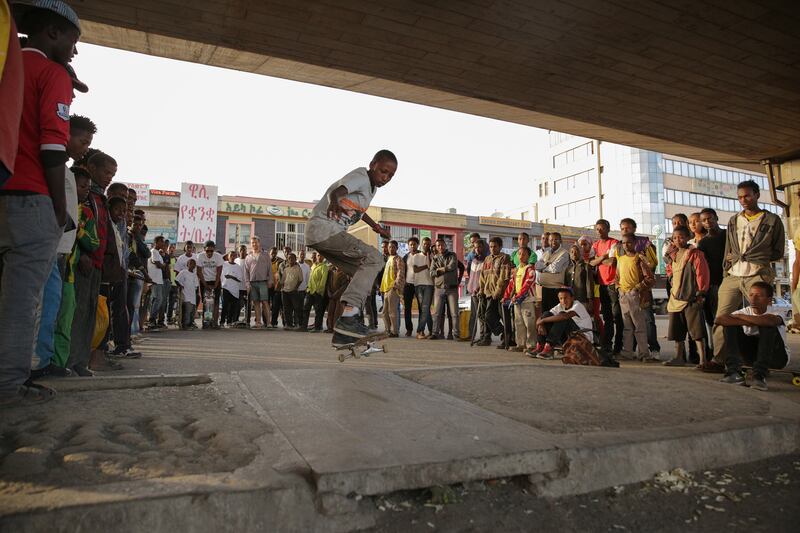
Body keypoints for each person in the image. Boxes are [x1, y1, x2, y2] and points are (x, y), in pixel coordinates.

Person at [0, 0, 81, 402]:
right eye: (73, 41)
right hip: (33, 195)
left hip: (4, 186)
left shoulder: (8, 64)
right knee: (22, 299)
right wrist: (59, 207)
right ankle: (10, 384)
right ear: (52, 32)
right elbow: (53, 146)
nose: (75, 52)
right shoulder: (52, 73)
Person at [304, 149, 396, 343]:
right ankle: (348, 319)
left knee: (365, 274)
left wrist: (376, 227)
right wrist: (333, 202)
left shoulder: (371, 189)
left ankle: (345, 330)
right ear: (373, 165)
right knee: (375, 258)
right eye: (383, 171)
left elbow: (359, 212)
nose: (386, 178)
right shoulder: (361, 176)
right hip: (326, 229)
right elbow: (336, 192)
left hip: (321, 235)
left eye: (390, 175)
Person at [32, 114, 96, 377]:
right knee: (43, 308)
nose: (85, 147)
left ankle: (44, 358)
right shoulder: (53, 166)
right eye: (83, 141)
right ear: (66, 135)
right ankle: (35, 362)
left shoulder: (67, 172)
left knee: (53, 308)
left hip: (61, 253)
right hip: (50, 248)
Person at [710, 180, 785, 373]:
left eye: (747, 196)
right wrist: (728, 267)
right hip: (733, 274)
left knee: (762, 319)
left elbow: (777, 250)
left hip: (757, 274)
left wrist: (757, 258)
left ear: (757, 195)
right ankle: (719, 360)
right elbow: (729, 247)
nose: (743, 200)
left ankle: (762, 362)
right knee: (721, 317)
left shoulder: (772, 220)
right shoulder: (734, 219)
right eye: (740, 197)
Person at [67, 151, 117, 377]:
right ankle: (69, 360)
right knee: (76, 313)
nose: (109, 177)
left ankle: (81, 360)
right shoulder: (85, 196)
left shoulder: (101, 199)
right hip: (82, 261)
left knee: (89, 314)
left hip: (97, 264)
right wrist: (84, 254)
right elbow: (78, 226)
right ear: (92, 168)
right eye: (106, 172)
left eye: (113, 174)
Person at [51, 168, 97, 373]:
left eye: (88, 186)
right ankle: (46, 361)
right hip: (52, 266)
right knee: (48, 316)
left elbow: (94, 243)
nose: (86, 190)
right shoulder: (56, 203)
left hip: (69, 274)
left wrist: (78, 230)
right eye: (81, 186)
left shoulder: (86, 213)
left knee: (65, 320)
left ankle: (60, 363)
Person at [716, 282, 789, 391]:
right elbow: (719, 320)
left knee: (767, 326)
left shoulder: (776, 311)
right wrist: (753, 321)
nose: (753, 299)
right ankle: (733, 373)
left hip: (776, 357)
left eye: (759, 296)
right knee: (729, 326)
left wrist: (741, 318)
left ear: (769, 299)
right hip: (751, 357)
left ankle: (759, 377)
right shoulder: (746, 311)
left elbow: (769, 321)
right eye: (751, 295)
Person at [663, 226, 710, 367]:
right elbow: (670, 271)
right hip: (675, 297)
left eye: (681, 237)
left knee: (697, 331)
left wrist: (701, 292)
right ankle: (678, 357)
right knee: (677, 331)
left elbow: (702, 273)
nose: (678, 240)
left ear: (688, 237)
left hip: (691, 297)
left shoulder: (695, 254)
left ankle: (703, 360)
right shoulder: (673, 255)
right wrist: (671, 280)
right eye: (675, 237)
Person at [615, 234, 655, 361]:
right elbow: (617, 277)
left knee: (639, 326)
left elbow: (649, 278)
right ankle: (627, 352)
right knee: (627, 326)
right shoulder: (620, 259)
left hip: (635, 295)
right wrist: (618, 288)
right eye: (624, 243)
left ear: (635, 243)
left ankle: (644, 353)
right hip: (623, 295)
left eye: (629, 243)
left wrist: (637, 288)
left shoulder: (639, 259)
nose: (626, 245)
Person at [530, 288, 593, 359]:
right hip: (569, 336)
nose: (563, 301)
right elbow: (542, 317)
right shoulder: (560, 306)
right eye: (561, 298)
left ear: (572, 298)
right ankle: (540, 345)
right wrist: (541, 323)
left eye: (566, 298)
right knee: (547, 314)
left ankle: (549, 347)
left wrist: (542, 321)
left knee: (562, 316)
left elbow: (564, 316)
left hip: (583, 338)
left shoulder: (578, 305)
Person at [591, 220, 622, 356]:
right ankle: (607, 345)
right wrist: (603, 256)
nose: (599, 231)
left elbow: (612, 262)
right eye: (597, 229)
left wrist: (599, 259)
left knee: (617, 317)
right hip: (601, 284)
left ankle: (619, 346)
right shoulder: (595, 245)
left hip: (613, 284)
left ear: (608, 229)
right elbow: (591, 262)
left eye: (602, 229)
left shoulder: (614, 243)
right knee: (607, 317)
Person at [697, 208, 726, 352]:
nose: (707, 222)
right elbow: (702, 267)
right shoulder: (703, 243)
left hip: (729, 281)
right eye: (704, 220)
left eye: (710, 218)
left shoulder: (727, 235)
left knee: (729, 318)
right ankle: (716, 352)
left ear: (716, 218)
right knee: (713, 319)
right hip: (713, 284)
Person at [476, 237, 511, 346]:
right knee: (483, 315)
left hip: (499, 293)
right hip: (487, 292)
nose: (492, 249)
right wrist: (481, 290)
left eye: (495, 246)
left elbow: (503, 277)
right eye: (491, 246)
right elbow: (482, 276)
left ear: (500, 247)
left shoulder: (504, 258)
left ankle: (507, 336)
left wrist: (498, 291)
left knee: (498, 315)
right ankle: (496, 335)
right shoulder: (487, 259)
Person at [503, 246, 536, 353]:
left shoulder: (530, 269)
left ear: (528, 256)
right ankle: (521, 344)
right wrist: (506, 296)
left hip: (527, 300)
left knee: (529, 323)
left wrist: (517, 296)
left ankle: (531, 345)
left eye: (524, 254)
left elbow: (527, 285)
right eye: (519, 254)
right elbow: (511, 285)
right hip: (517, 301)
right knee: (519, 323)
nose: (521, 256)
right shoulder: (517, 270)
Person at [535, 232, 570, 313]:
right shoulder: (547, 253)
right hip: (544, 288)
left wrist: (543, 268)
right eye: (551, 240)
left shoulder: (564, 253)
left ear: (560, 241)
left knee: (554, 314)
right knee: (545, 313)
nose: (553, 242)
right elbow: (537, 266)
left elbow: (555, 268)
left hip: (555, 289)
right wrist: (547, 264)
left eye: (556, 239)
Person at [244, 236, 272, 329]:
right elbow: (246, 272)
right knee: (256, 303)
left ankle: (268, 323)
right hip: (252, 283)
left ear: (259, 243)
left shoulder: (265, 255)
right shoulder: (248, 257)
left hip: (263, 282)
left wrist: (270, 280)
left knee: (265, 302)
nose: (254, 244)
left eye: (255, 242)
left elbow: (269, 269)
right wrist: (247, 284)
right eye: (252, 243)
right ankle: (258, 322)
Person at [380, 240, 406, 337]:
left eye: (393, 247)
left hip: (393, 288)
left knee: (392, 311)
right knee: (384, 312)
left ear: (396, 248)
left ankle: (395, 332)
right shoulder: (388, 258)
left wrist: (396, 286)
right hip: (385, 288)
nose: (391, 249)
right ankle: (388, 330)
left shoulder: (398, 259)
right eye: (389, 247)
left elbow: (400, 273)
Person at [196, 240, 224, 328]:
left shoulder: (218, 257)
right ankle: (206, 322)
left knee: (215, 302)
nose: (209, 253)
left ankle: (215, 322)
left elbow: (219, 271)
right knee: (206, 302)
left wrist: (215, 284)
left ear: (214, 250)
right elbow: (199, 272)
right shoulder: (200, 256)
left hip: (215, 280)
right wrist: (205, 285)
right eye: (207, 250)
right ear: (204, 249)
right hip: (205, 280)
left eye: (211, 251)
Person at [466, 238, 488, 343]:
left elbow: (485, 278)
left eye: (479, 247)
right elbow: (471, 277)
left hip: (481, 292)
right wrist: (470, 288)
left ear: (483, 247)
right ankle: (477, 336)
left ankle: (485, 337)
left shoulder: (486, 261)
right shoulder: (473, 261)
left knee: (482, 315)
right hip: (473, 292)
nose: (477, 249)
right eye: (475, 247)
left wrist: (479, 288)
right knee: (477, 315)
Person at [412, 236, 434, 339]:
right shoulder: (416, 256)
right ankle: (431, 330)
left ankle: (419, 331)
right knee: (425, 309)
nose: (427, 246)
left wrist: (429, 256)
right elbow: (415, 270)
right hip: (418, 285)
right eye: (425, 244)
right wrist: (426, 266)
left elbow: (431, 268)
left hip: (429, 285)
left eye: (428, 244)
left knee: (425, 308)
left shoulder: (432, 256)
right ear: (422, 244)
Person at [301, 251, 329, 332]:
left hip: (317, 292)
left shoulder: (324, 267)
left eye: (321, 256)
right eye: (318, 255)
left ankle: (317, 327)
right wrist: (308, 288)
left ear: (323, 258)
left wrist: (318, 291)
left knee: (318, 311)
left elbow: (323, 281)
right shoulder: (313, 265)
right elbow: (310, 278)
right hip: (310, 291)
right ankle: (304, 326)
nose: (319, 257)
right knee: (306, 309)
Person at [146, 236, 167, 330]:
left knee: (157, 300)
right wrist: (163, 265)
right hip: (154, 280)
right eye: (161, 242)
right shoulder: (154, 251)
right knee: (158, 300)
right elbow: (158, 264)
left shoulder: (158, 252)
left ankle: (153, 320)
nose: (163, 244)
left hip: (158, 280)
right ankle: (151, 321)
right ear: (156, 242)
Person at [281, 252, 303, 329]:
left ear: (295, 259)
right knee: (286, 309)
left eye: (292, 258)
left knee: (296, 308)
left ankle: (297, 324)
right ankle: (288, 324)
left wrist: (296, 288)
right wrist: (283, 288)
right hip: (285, 291)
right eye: (289, 258)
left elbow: (300, 280)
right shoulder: (286, 269)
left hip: (293, 291)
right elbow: (283, 280)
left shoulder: (298, 268)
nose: (290, 260)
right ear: (287, 259)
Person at [402, 237, 419, 337]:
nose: (412, 246)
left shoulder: (422, 255)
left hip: (419, 285)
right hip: (408, 285)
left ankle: (420, 330)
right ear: (408, 246)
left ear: (417, 245)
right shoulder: (406, 257)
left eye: (414, 244)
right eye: (411, 245)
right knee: (407, 309)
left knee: (422, 308)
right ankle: (409, 329)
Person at [221, 251, 244, 326]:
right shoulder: (224, 264)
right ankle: (222, 322)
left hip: (234, 290)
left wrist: (231, 277)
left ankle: (229, 322)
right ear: (228, 256)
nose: (232, 257)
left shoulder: (238, 267)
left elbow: (240, 279)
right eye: (231, 255)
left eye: (234, 256)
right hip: (225, 287)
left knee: (232, 307)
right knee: (225, 306)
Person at [175, 259, 199, 330]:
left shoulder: (194, 275)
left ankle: (191, 323)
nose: (192, 265)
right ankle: (185, 325)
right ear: (187, 264)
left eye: (194, 264)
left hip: (192, 296)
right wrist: (180, 286)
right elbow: (176, 280)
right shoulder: (183, 272)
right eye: (190, 263)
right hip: (185, 294)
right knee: (187, 311)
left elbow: (196, 286)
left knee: (192, 311)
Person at [268, 246, 283, 328]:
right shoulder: (267, 261)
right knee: (265, 304)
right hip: (268, 286)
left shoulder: (280, 262)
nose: (273, 254)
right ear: (270, 253)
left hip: (276, 287)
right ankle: (266, 321)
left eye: (275, 253)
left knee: (275, 306)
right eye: (272, 253)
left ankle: (274, 322)